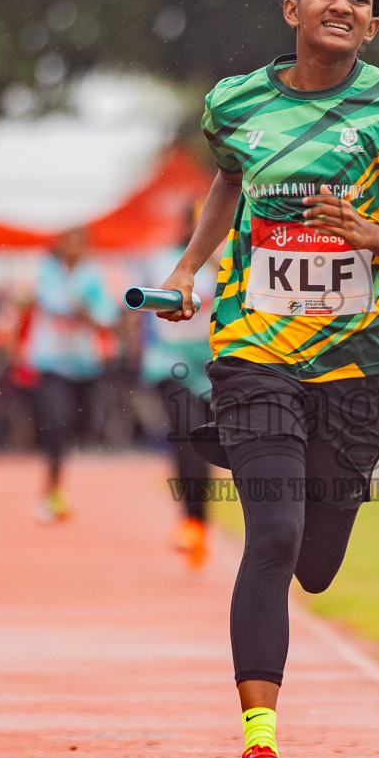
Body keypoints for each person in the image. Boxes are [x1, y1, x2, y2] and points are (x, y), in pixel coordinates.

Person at [154, 0, 379, 758]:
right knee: (273, 537)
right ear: (293, 11)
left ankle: (247, 452)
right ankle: (260, 746)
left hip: (357, 367)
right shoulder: (236, 103)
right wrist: (187, 273)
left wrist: (369, 234)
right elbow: (225, 184)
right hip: (253, 351)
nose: (342, 4)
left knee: (317, 565)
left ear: (373, 20)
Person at [140, 216, 219, 569]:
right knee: (186, 436)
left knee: (208, 445)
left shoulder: (231, 261)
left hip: (215, 367)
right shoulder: (164, 261)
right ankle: (190, 522)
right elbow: (146, 308)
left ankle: (199, 523)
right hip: (170, 364)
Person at [25, 228, 118, 523]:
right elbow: (42, 299)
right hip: (52, 364)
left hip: (85, 366)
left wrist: (87, 314)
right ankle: (51, 492)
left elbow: (107, 319)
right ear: (60, 246)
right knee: (56, 425)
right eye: (70, 243)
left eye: (81, 244)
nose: (75, 249)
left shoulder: (93, 277)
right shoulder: (46, 272)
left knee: (83, 425)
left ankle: (55, 483)